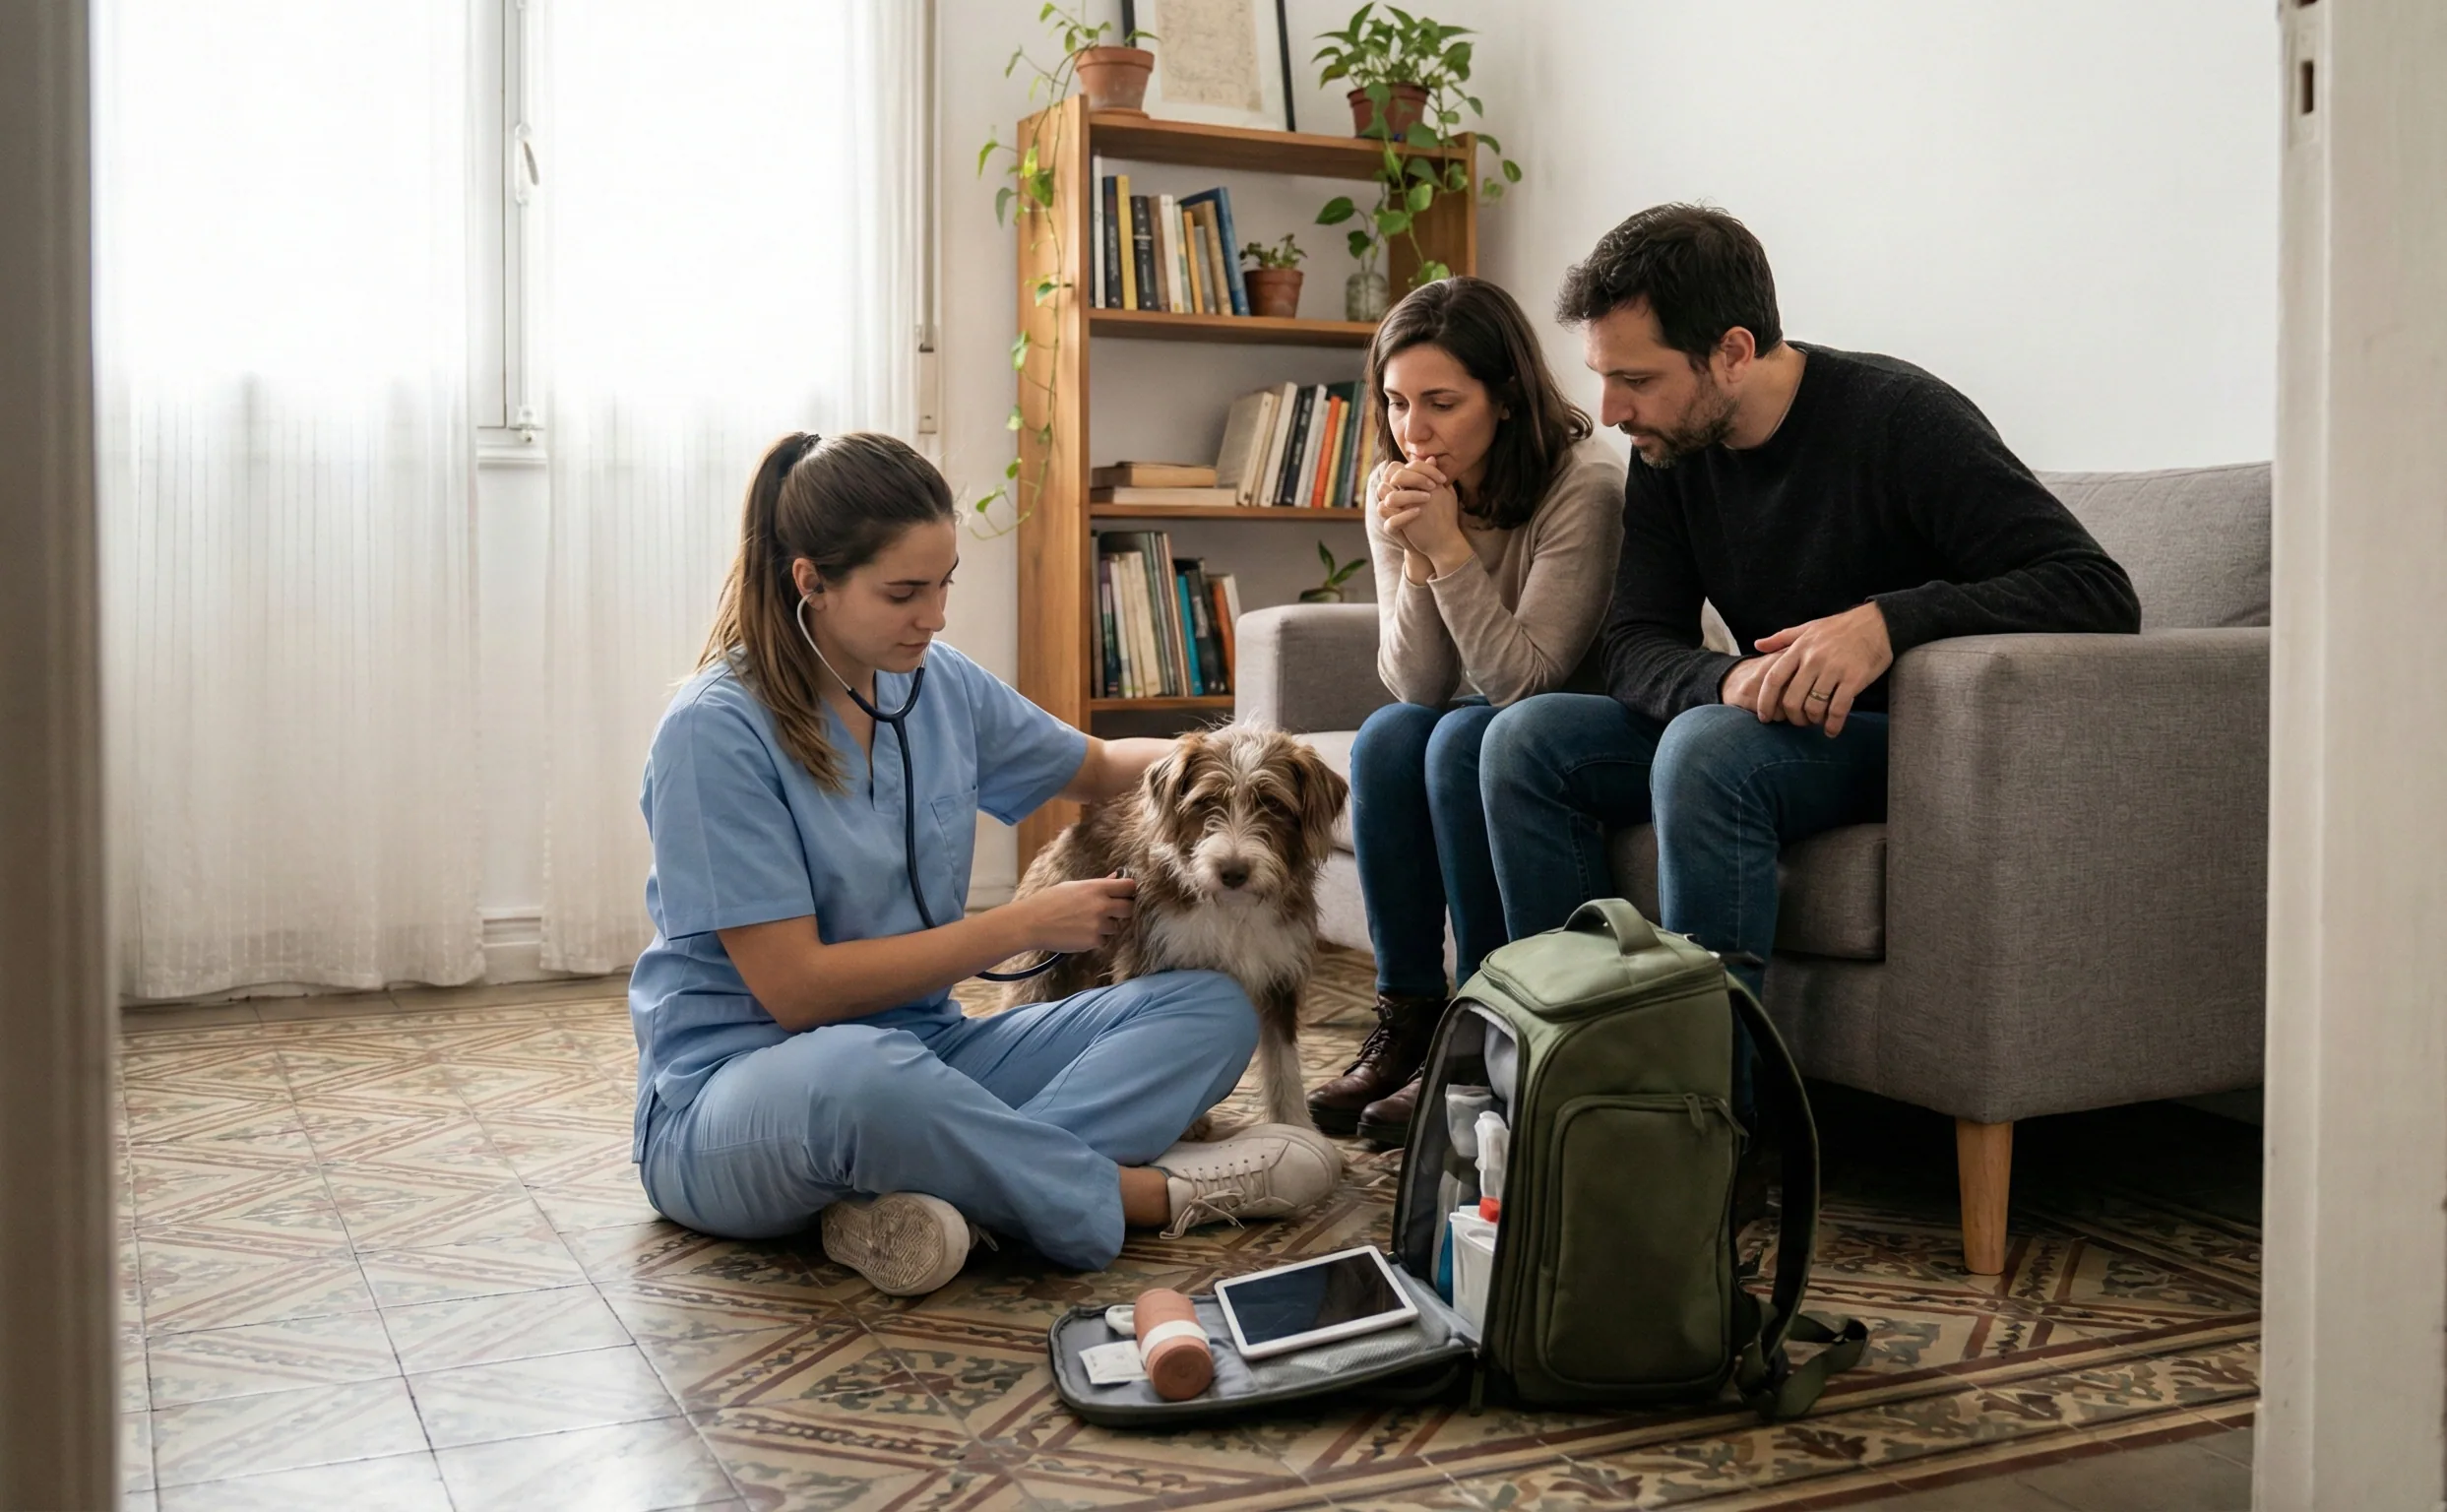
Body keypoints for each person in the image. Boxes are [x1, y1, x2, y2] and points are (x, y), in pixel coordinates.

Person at [628, 431, 1341, 1297]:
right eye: (903, 592)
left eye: (943, 584)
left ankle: (938, 1203)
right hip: (737, 1095)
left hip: (930, 1055)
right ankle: (1145, 1193)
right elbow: (799, 993)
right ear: (810, 580)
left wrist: (1241, 759)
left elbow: (1095, 766)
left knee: (1212, 1011)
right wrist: (1019, 926)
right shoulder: (714, 730)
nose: (933, 616)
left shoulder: (937, 682)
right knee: (859, 1075)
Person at [1477, 204, 2140, 1104]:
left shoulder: (1901, 417)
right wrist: (1731, 677)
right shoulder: (1670, 447)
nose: (1611, 410)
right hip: (1763, 724)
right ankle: (1579, 1096)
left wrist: (1887, 623)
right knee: (1525, 741)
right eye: (1604, 376)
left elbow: (2097, 591)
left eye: (1636, 377)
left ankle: (1713, 1135)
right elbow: (1635, 642)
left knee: (1708, 751)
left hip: (1897, 741)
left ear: (1734, 352)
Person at [1306, 277, 1626, 1145]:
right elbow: (1414, 682)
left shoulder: (1582, 483)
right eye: (1399, 402)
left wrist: (1448, 549)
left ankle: (1486, 1030)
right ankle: (1411, 1013)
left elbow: (1527, 681)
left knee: (1458, 740)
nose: (1415, 430)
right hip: (1478, 707)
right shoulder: (1400, 481)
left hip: (1577, 718)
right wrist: (1416, 554)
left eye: (1442, 403)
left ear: (1508, 398)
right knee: (1386, 737)